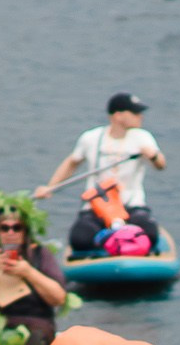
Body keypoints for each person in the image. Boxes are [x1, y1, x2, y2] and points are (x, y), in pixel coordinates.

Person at [37, 93, 164, 255]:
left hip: (131, 206)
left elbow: (160, 165)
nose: (141, 117)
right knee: (79, 239)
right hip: (97, 207)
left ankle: (124, 240)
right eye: (135, 113)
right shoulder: (91, 138)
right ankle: (110, 242)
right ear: (118, 116)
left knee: (150, 234)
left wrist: (152, 155)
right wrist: (50, 187)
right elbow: (72, 162)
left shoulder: (142, 138)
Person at [0, 196, 68, 345]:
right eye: (4, 228)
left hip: (33, 321)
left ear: (25, 230)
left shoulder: (40, 254)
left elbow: (59, 298)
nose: (10, 233)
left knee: (33, 336)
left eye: (17, 228)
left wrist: (28, 272)